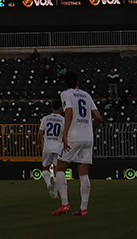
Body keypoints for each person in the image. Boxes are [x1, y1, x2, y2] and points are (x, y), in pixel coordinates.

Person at [53, 70, 102, 217]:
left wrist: (66, 134)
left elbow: (69, 112)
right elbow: (98, 117)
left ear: (65, 83)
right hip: (88, 137)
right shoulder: (87, 95)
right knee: (84, 172)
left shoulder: (65, 94)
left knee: (60, 168)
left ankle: (65, 204)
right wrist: (91, 130)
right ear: (78, 82)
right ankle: (83, 208)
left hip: (74, 135)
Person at [38, 99, 65, 198]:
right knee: (58, 171)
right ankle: (56, 192)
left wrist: (38, 144)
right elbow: (66, 134)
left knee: (45, 168)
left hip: (47, 146)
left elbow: (40, 133)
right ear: (61, 109)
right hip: (58, 147)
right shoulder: (63, 120)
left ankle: (48, 184)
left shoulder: (45, 118)